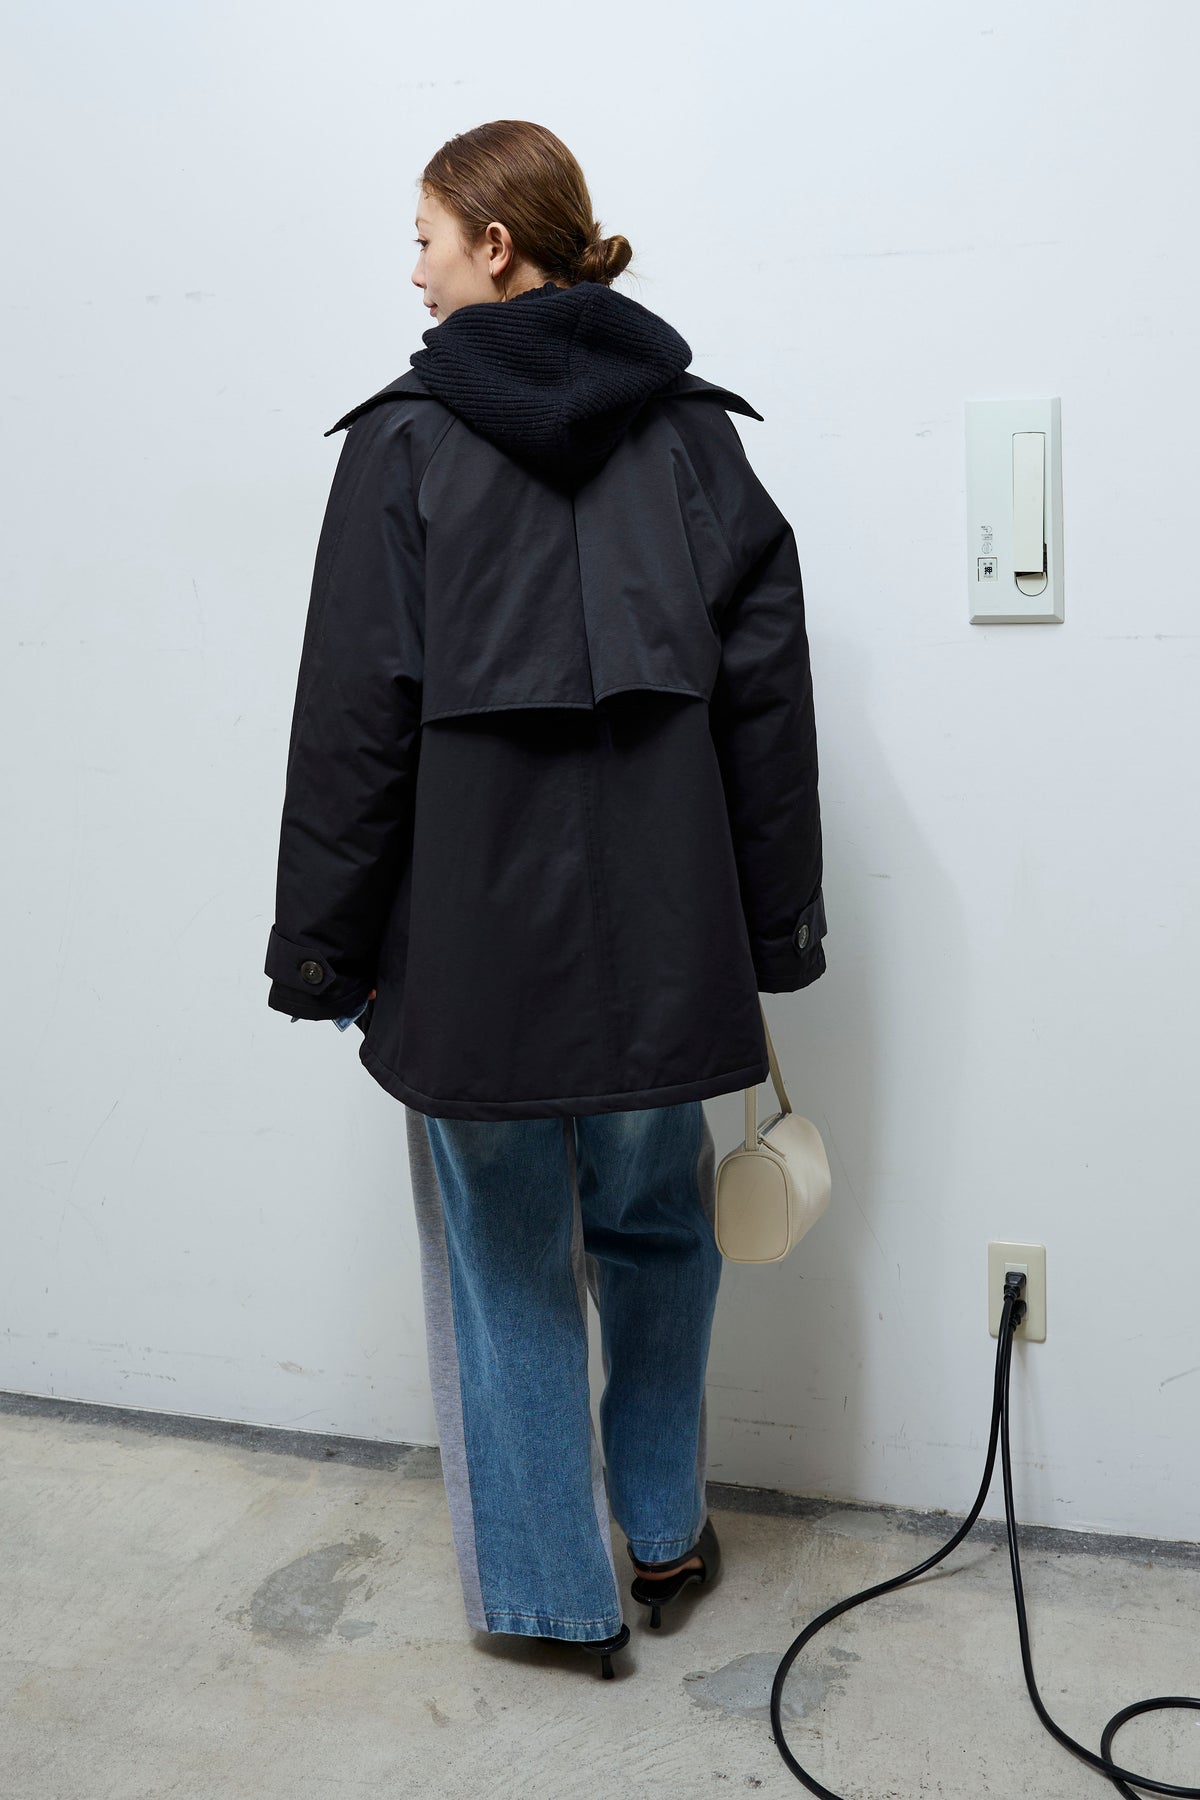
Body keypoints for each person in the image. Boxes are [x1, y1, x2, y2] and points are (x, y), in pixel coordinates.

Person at [264, 120, 827, 1680]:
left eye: (427, 237)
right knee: (658, 1226)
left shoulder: (403, 444)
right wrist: (773, 928)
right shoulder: (694, 438)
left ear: (496, 245)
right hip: (668, 937)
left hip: (466, 954)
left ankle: (550, 1597)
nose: (414, 269)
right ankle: (664, 1531)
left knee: (506, 1256)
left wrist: (324, 951)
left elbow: (353, 718)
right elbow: (768, 704)